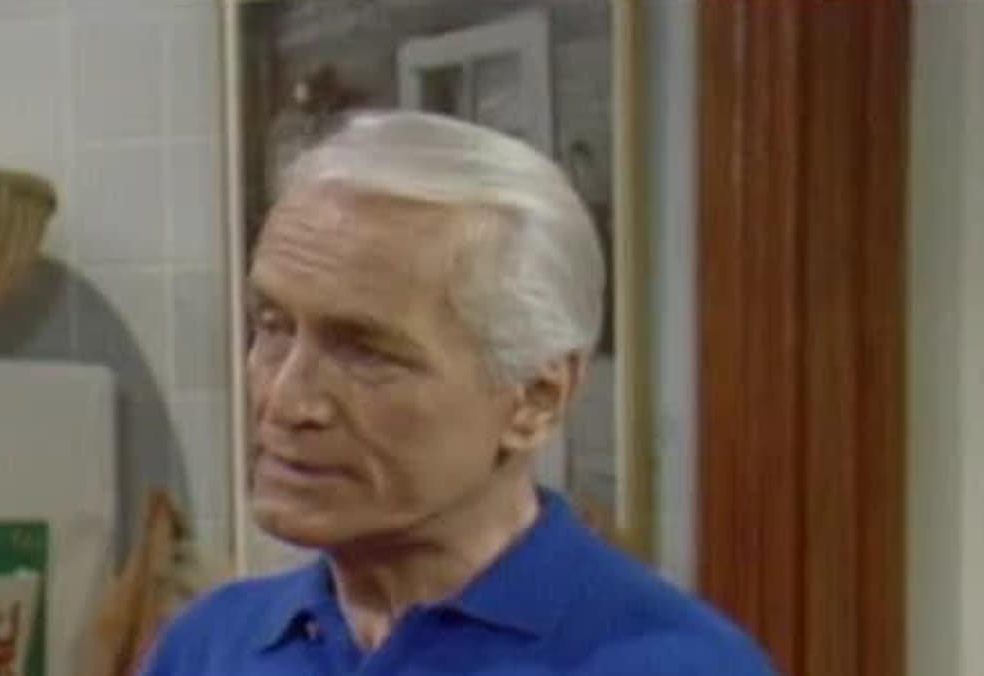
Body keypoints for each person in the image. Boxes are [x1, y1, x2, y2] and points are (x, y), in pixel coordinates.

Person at [139, 111, 776, 675]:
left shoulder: (676, 665)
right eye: (273, 326)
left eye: (365, 352)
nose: (285, 402)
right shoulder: (206, 646)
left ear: (536, 399)